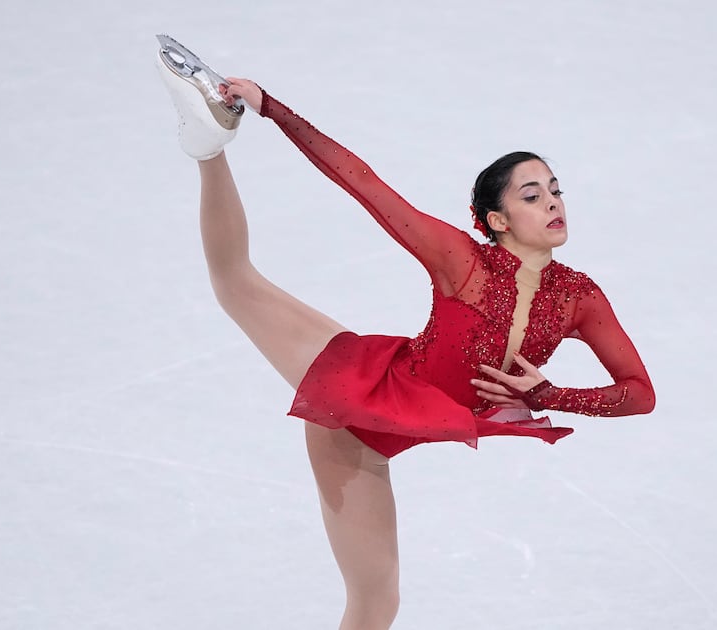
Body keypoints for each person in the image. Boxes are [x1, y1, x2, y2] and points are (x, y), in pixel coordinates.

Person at [155, 39, 655, 630]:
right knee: (235, 281)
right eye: (532, 194)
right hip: (353, 418)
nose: (552, 202)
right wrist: (271, 107)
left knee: (379, 603)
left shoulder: (578, 298)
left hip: (399, 388)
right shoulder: (460, 262)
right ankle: (208, 146)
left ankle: (206, 145)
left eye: (555, 190)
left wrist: (548, 397)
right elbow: (363, 182)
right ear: (498, 220)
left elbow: (638, 393)